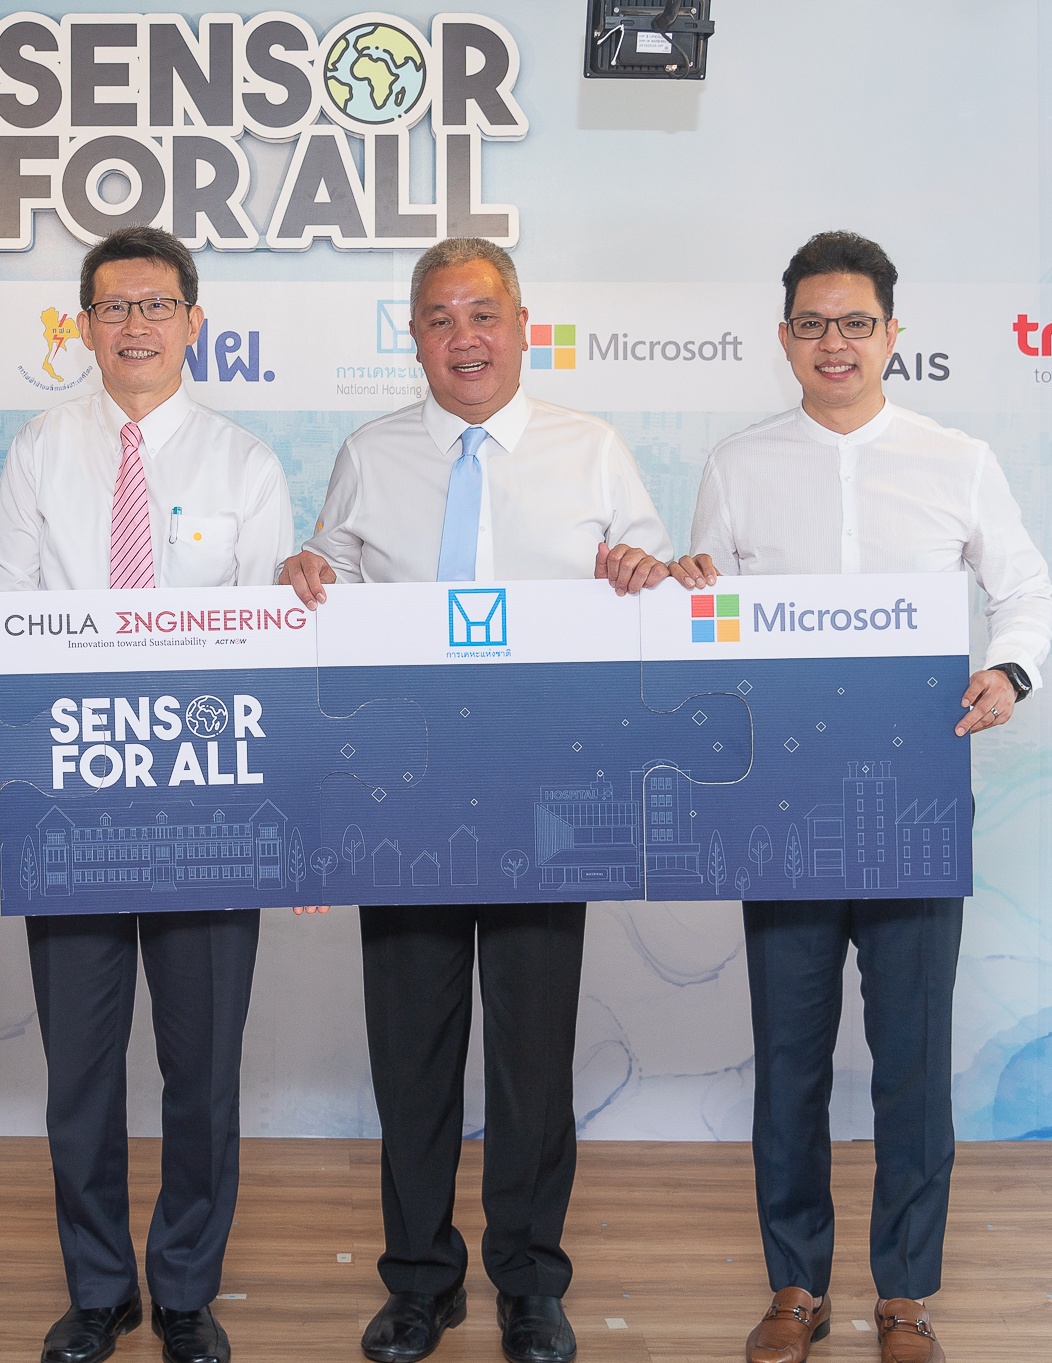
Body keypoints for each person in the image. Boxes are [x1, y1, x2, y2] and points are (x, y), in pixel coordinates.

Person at [281, 237, 675, 1363]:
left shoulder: (589, 448)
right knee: (408, 1054)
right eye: (439, 317)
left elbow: (647, 574)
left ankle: (528, 1281)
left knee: (529, 1056)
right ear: (412, 336)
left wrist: (640, 572)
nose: (464, 336)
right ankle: (417, 1280)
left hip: (545, 797)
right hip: (401, 800)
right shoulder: (370, 452)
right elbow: (330, 584)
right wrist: (304, 573)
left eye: (483, 313)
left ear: (521, 324)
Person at [673, 231, 1052, 1363]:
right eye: (809, 323)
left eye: (853, 323)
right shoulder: (737, 464)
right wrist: (694, 594)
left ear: (891, 333)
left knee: (909, 1056)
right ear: (782, 336)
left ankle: (903, 1293)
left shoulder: (956, 457)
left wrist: (1010, 665)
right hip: (778, 808)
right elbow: (709, 627)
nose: (830, 343)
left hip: (915, 800)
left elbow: (1023, 585)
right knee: (786, 1056)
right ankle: (794, 1287)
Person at [0, 225, 293, 1363]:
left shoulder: (245, 464)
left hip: (205, 810)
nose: (133, 326)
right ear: (80, 323)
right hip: (70, 806)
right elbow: (1, 613)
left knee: (202, 1069)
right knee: (80, 1068)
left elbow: (267, 648)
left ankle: (186, 1287)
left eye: (155, 305)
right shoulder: (35, 452)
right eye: (111, 306)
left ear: (192, 323)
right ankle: (98, 1286)